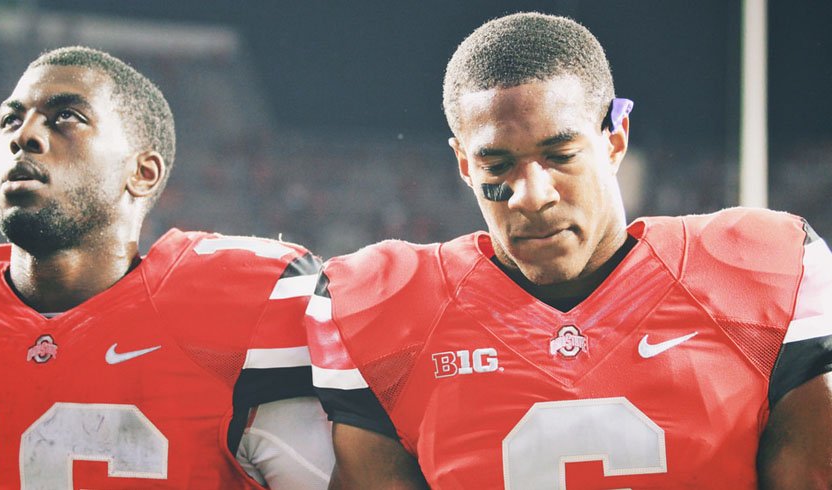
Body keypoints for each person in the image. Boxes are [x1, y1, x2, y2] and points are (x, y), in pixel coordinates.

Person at [306, 12, 832, 489]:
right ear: (464, 164)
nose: (532, 195)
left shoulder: (758, 275)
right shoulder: (384, 310)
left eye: (560, 155)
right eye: (496, 165)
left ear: (615, 138)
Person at [0, 46, 333, 489]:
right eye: (9, 120)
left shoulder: (240, 312)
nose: (23, 135)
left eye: (67, 116)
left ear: (142, 172)